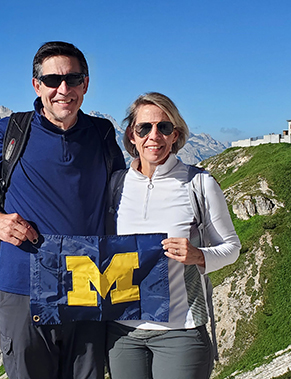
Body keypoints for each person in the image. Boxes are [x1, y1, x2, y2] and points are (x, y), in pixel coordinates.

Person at [0, 41, 125, 379]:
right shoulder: (10, 132)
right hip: (24, 287)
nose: (63, 90)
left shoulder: (102, 133)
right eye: (52, 81)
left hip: (88, 282)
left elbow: (122, 192)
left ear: (86, 84)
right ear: (37, 85)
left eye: (73, 79)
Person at [106, 92, 241, 379]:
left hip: (180, 332)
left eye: (164, 127)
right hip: (122, 333)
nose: (154, 136)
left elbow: (232, 247)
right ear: (131, 134)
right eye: (144, 128)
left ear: (175, 134)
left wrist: (198, 255)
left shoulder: (199, 183)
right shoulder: (116, 184)